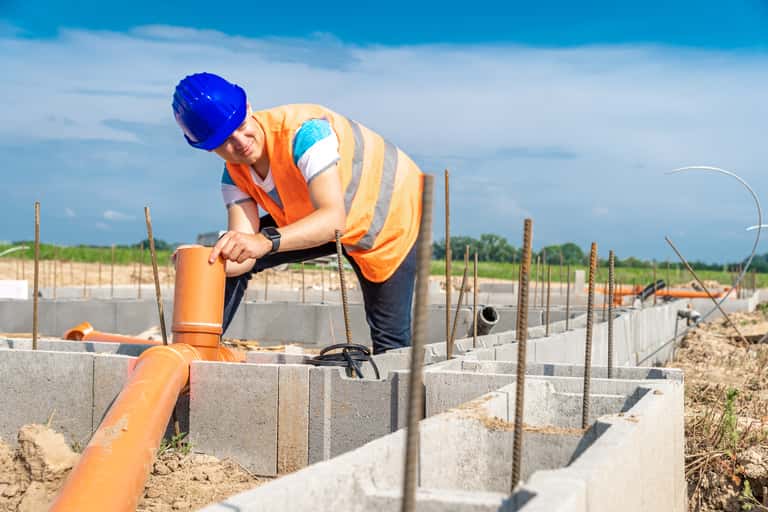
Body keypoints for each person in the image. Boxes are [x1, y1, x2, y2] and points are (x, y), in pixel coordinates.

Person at [172, 72, 424, 354]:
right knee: (232, 248)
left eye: (241, 125)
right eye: (226, 140)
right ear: (208, 148)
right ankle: (201, 352)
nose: (241, 142)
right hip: (318, 218)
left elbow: (332, 221)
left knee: (390, 345)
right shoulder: (233, 177)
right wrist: (200, 262)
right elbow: (241, 257)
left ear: (249, 107)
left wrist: (264, 242)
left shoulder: (306, 133)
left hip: (389, 215)